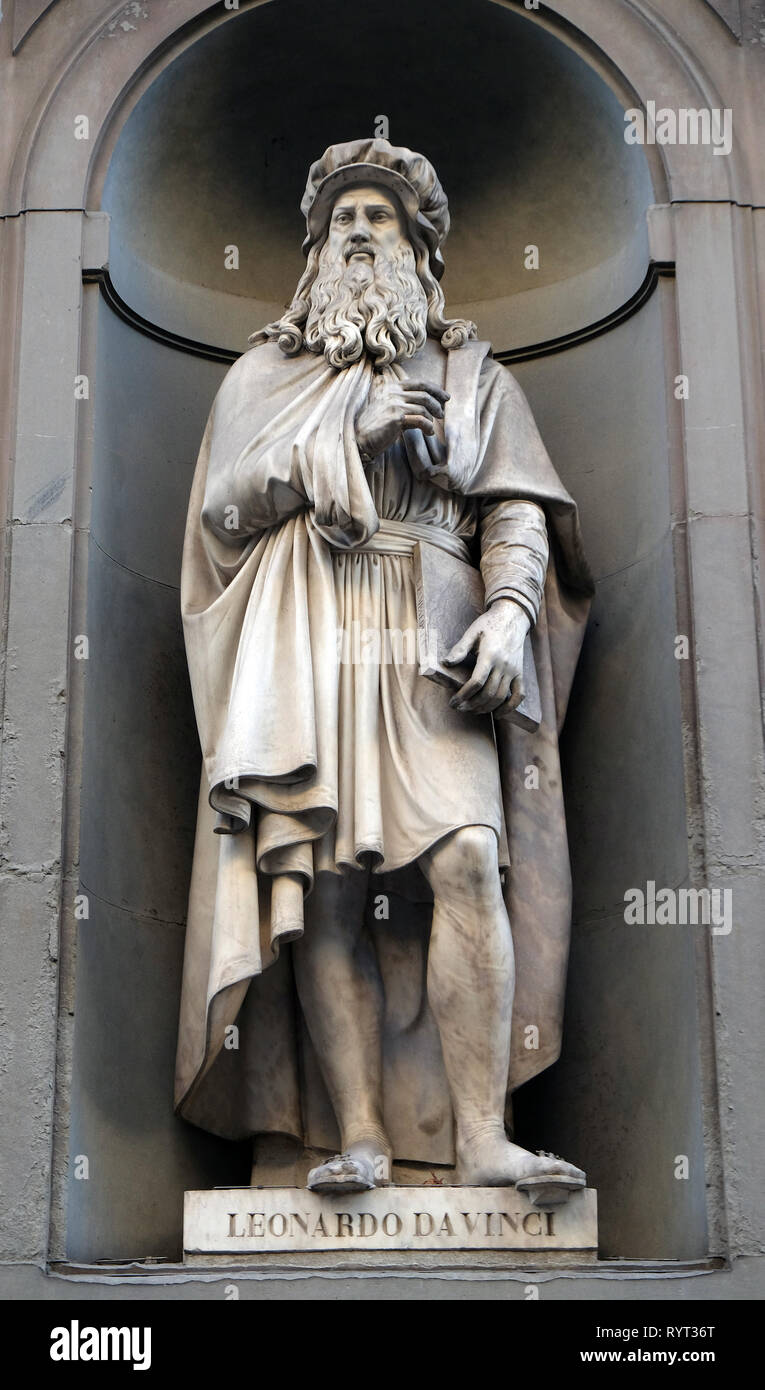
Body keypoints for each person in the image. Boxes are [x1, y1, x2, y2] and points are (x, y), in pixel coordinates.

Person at [175, 139, 593, 1199]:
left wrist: (507, 612)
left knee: (466, 858)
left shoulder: (469, 370)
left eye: (383, 218)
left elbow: (516, 507)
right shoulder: (266, 372)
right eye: (343, 220)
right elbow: (225, 507)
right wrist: (340, 440)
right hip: (310, 624)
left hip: (435, 628)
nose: (361, 232)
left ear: (418, 248)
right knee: (325, 885)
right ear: (315, 252)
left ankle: (484, 1136)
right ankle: (355, 1133)